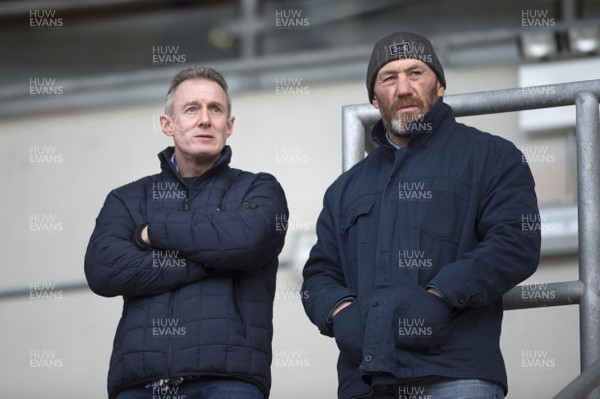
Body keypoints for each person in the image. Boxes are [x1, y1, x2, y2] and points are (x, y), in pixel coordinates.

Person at [301, 31, 541, 399]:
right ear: (374, 97)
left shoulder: (492, 157)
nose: (403, 88)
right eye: (389, 78)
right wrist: (339, 312)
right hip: (364, 381)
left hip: (457, 373)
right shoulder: (346, 188)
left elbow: (515, 241)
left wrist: (441, 295)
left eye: (416, 73)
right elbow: (319, 273)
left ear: (440, 85)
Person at [85, 66, 288, 399]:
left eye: (216, 109)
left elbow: (249, 240)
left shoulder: (258, 189)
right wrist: (217, 258)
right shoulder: (127, 198)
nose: (205, 119)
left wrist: (152, 233)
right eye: (191, 109)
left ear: (229, 125)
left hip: (229, 382)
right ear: (168, 125)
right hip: (139, 386)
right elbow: (104, 269)